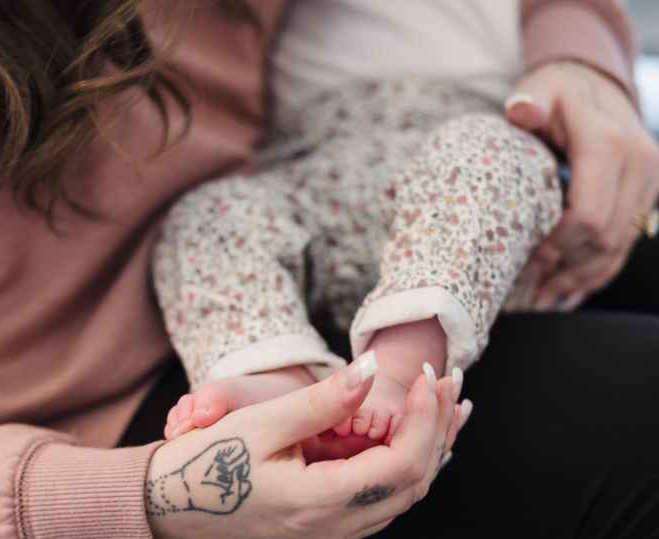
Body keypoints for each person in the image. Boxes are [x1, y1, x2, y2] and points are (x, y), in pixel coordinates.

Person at [0, 2, 659, 539]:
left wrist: (580, 60)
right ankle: (295, 374)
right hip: (76, 454)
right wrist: (149, 500)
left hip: (309, 229)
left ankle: (389, 339)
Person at [153, 0, 562, 451]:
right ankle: (275, 374)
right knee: (210, 213)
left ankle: (401, 366)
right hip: (314, 167)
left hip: (463, 168)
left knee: (490, 156)